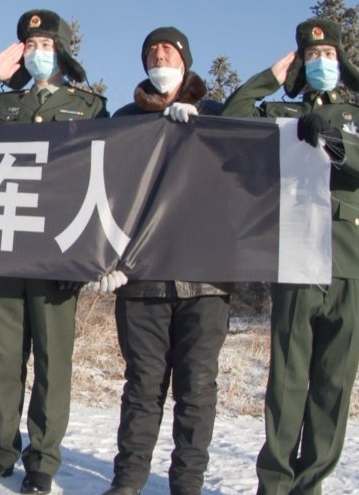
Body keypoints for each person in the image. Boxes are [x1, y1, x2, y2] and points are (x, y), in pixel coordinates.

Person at [0, 9, 108, 495]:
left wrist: (88, 254)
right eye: (29, 44)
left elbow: (103, 176)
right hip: (6, 244)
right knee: (5, 364)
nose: (37, 51)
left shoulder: (90, 106)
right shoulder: (5, 104)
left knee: (53, 366)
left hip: (58, 250)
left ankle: (42, 461)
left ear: (62, 51)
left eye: (45, 44)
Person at [222, 19, 359, 494]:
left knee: (334, 383)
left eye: (329, 56)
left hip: (346, 262)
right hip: (295, 257)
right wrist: (271, 79)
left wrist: (333, 139)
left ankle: (310, 484)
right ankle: (274, 484)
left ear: (343, 62)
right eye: (311, 57)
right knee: (288, 381)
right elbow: (234, 116)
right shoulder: (279, 112)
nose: (321, 64)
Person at [101, 27, 229, 495]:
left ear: (185, 60)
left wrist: (206, 124)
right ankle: (128, 480)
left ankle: (187, 484)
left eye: (169, 50)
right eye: (152, 51)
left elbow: (250, 146)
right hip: (142, 282)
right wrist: (106, 259)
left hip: (205, 283)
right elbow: (106, 194)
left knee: (196, 392)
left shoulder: (217, 115)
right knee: (142, 389)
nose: (160, 56)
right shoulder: (124, 120)